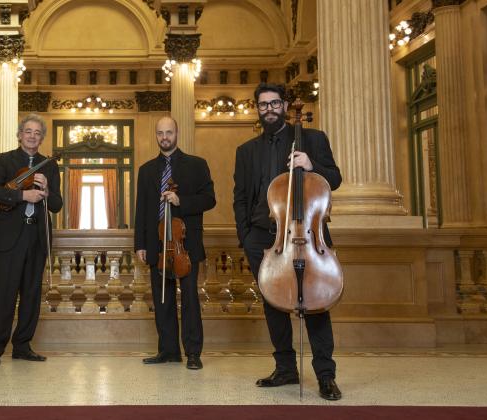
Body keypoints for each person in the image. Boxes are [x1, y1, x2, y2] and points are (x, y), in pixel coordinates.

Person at [232, 83, 343, 400]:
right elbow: (240, 197)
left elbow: (333, 179)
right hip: (262, 239)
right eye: (263, 105)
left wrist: (312, 165)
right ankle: (285, 369)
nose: (269, 109)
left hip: (307, 235)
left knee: (317, 302)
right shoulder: (246, 151)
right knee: (273, 301)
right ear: (257, 108)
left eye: (274, 103)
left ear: (284, 105)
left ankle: (325, 375)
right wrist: (245, 236)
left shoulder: (312, 139)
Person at [134, 116, 216, 370]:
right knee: (162, 299)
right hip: (157, 244)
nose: (164, 137)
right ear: (156, 135)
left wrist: (182, 201)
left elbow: (209, 199)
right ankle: (168, 351)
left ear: (176, 134)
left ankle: (193, 353)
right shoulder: (146, 170)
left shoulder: (196, 165)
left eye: (169, 132)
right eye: (160, 133)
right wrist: (140, 244)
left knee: (190, 299)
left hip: (185, 245)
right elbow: (142, 210)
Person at [0, 114, 63, 367]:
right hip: (10, 237)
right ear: (19, 135)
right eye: (28, 131)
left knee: (31, 294)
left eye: (37, 133)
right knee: (5, 294)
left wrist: (47, 191)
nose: (32, 136)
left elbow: (57, 205)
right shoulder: (5, 159)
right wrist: (22, 195)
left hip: (36, 236)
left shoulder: (49, 165)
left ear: (42, 138)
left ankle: (23, 346)